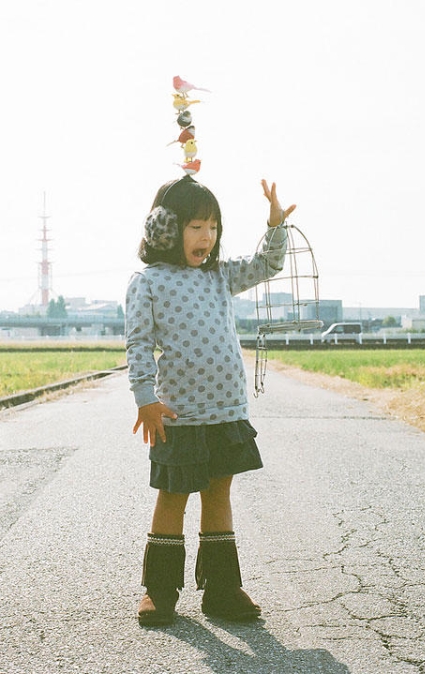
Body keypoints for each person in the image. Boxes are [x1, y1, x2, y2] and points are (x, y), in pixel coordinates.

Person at [125, 174, 296, 626]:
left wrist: (275, 225)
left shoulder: (220, 275)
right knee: (172, 496)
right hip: (178, 415)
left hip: (226, 410)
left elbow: (266, 264)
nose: (207, 237)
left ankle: (222, 589)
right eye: (196, 226)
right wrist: (145, 398)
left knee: (218, 494)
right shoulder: (148, 282)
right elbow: (138, 344)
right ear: (165, 229)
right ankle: (159, 590)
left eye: (214, 227)